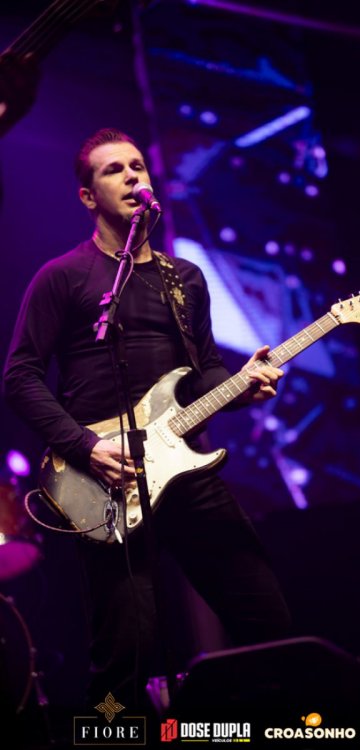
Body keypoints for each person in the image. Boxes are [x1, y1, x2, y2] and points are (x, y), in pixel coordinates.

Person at [2, 127, 291, 715]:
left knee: (267, 620)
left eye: (138, 165)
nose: (133, 176)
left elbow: (204, 374)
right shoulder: (64, 276)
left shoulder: (184, 279)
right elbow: (19, 377)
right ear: (88, 196)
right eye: (115, 169)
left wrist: (243, 384)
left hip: (188, 473)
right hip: (106, 480)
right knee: (124, 657)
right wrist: (85, 447)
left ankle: (289, 724)